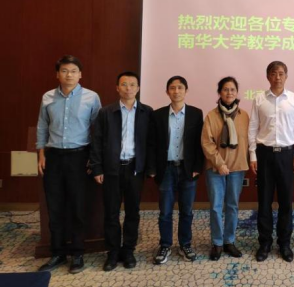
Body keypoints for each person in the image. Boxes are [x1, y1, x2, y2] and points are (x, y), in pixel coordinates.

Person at [36, 55, 101, 274]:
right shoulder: (47, 97)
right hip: (53, 157)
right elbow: (42, 126)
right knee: (54, 206)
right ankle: (57, 253)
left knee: (77, 206)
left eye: (73, 71)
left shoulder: (91, 97)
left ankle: (78, 253)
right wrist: (41, 153)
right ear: (58, 74)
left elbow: (98, 131)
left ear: (80, 74)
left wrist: (94, 158)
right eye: (64, 71)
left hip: (79, 157)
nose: (69, 75)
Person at [90, 72, 153, 271]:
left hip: (135, 169)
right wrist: (97, 168)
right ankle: (112, 251)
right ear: (117, 88)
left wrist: (149, 168)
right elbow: (96, 141)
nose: (128, 88)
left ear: (138, 88)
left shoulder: (146, 112)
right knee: (111, 212)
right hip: (111, 169)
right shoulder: (106, 112)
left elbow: (152, 143)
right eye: (124, 84)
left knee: (133, 212)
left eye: (132, 84)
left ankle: (128, 250)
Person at [248, 61, 294, 262]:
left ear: (286, 76)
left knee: (285, 202)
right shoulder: (259, 99)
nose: (278, 77)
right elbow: (253, 128)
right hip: (264, 154)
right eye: (274, 73)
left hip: (287, 156)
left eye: (281, 73)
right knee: (264, 201)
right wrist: (253, 155)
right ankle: (264, 243)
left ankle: (284, 243)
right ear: (268, 76)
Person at [146, 76, 204, 265]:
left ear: (186, 91)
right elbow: (152, 143)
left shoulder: (196, 113)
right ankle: (165, 245)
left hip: (188, 170)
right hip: (166, 169)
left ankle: (185, 244)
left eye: (180, 87)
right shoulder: (158, 115)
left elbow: (199, 143)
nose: (176, 91)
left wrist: (197, 167)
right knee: (165, 211)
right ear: (167, 91)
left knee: (187, 211)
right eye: (172, 88)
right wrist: (152, 168)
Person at [202, 77, 249, 261]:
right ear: (219, 93)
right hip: (215, 168)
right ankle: (217, 242)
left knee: (232, 205)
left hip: (237, 168)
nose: (229, 93)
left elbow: (248, 141)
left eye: (232, 89)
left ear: (237, 93)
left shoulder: (244, 116)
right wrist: (219, 163)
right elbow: (207, 143)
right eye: (225, 89)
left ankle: (229, 241)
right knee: (216, 206)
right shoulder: (211, 116)